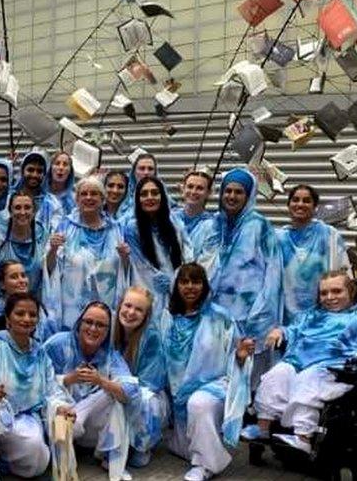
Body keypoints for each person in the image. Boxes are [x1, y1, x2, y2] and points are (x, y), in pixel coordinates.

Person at [241, 271, 357, 453]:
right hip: (297, 363)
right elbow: (292, 329)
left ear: (350, 292)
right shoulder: (312, 315)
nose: (330, 297)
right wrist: (279, 332)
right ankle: (262, 428)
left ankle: (303, 437)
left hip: (335, 369)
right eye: (324, 293)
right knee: (277, 375)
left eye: (337, 291)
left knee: (308, 378)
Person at [160, 263, 255, 481]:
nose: (190, 287)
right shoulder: (168, 318)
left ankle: (205, 465)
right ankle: (201, 448)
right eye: (184, 282)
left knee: (199, 402)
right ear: (176, 286)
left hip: (215, 386)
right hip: (179, 395)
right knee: (182, 446)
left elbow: (236, 357)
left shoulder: (220, 317)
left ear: (205, 285)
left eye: (196, 281)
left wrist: (240, 355)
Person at [192, 167, 282, 383]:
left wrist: (262, 310)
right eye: (228, 191)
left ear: (249, 195)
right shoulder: (210, 226)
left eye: (238, 192)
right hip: (213, 313)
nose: (231, 196)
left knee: (248, 375)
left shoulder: (260, 226)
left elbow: (273, 272)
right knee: (215, 373)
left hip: (250, 313)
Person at [0, 292, 76, 478]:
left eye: (32, 315)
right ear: (8, 319)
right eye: (20, 313)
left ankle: (8, 462)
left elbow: (51, 388)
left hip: (30, 418)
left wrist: (61, 406)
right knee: (32, 447)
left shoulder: (39, 353)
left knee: (39, 457)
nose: (27, 319)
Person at [44, 302, 139, 479]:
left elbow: (131, 390)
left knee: (114, 393)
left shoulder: (111, 355)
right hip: (56, 421)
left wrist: (101, 381)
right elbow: (38, 380)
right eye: (88, 322)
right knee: (56, 405)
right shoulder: (57, 344)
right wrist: (67, 379)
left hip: (85, 425)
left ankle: (111, 457)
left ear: (107, 331)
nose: (93, 329)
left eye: (101, 325)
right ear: (79, 323)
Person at [44, 177, 124, 328]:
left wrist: (125, 258)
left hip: (106, 308)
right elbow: (50, 270)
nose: (88, 197)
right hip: (72, 311)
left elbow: (125, 271)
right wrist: (53, 250)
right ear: (77, 198)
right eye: (84, 194)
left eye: (94, 194)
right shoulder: (65, 226)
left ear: (103, 198)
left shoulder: (116, 229)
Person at [112, 287, 167, 469]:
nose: (131, 312)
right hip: (114, 388)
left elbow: (151, 383)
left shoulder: (152, 338)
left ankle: (141, 446)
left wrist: (123, 389)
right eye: (128, 305)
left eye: (139, 309)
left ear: (146, 315)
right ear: (120, 305)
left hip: (146, 394)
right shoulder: (109, 327)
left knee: (145, 400)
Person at [276, 185, 350, 321]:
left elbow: (344, 277)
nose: (300, 204)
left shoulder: (329, 235)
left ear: (315, 206)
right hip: (286, 319)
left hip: (325, 317)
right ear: (288, 205)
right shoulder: (278, 238)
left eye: (306, 201)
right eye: (295, 200)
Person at [119, 176, 191, 314]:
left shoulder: (175, 223)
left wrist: (176, 282)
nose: (149, 197)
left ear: (162, 196)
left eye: (155, 193)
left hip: (177, 292)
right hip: (148, 293)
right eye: (144, 194)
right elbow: (139, 265)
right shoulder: (132, 228)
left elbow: (186, 254)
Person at [0, 260, 55, 345]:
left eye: (23, 276)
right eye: (14, 277)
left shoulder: (39, 310)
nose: (21, 280)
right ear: (2, 284)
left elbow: (48, 343)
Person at [0, 192, 48, 296]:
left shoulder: (43, 236)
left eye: (27, 207)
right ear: (10, 211)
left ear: (34, 212)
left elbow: (48, 273)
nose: (23, 212)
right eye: (18, 208)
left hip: (34, 302)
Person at [11, 151, 64, 231]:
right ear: (22, 171)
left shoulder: (53, 204)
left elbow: (56, 233)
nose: (35, 175)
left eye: (39, 171)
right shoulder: (9, 199)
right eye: (30, 170)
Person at [172, 171, 214, 238]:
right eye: (190, 187)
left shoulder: (213, 224)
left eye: (200, 188)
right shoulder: (171, 218)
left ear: (208, 193)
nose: (193, 192)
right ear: (183, 189)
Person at [48, 151, 76, 215]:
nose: (61, 168)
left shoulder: (75, 199)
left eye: (65, 164)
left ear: (70, 171)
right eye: (57, 163)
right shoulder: (40, 195)